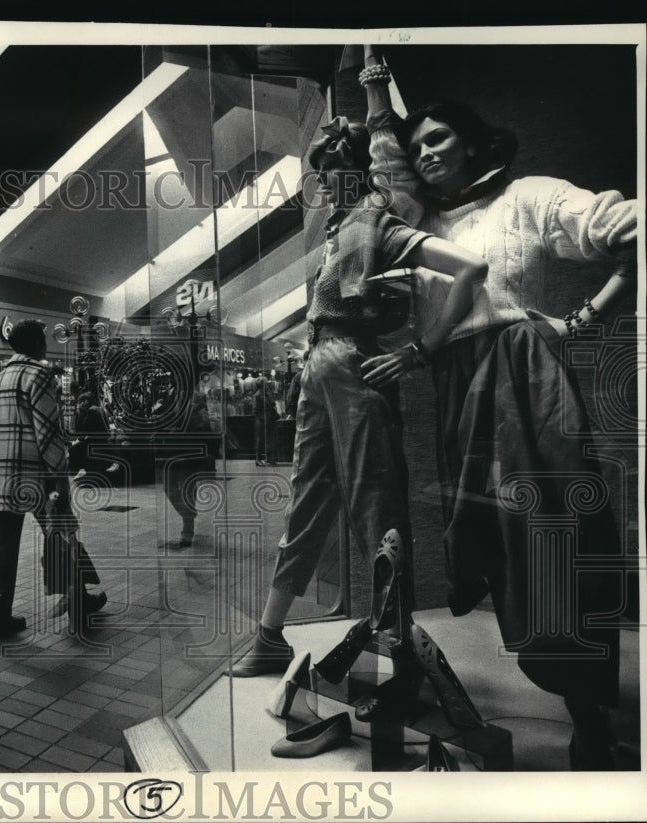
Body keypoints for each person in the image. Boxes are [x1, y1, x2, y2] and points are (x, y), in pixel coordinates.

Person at [360, 46, 636, 767]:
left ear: (477, 141)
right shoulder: (428, 230)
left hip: (526, 384)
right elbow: (382, 164)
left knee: (556, 540)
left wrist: (580, 320)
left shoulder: (530, 196)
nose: (424, 154)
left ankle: (590, 714)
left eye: (438, 139)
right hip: (457, 395)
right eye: (416, 146)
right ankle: (557, 689)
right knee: (496, 548)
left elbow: (622, 226)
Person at [229, 117, 488, 708]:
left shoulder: (379, 224)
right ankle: (270, 635)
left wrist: (421, 351)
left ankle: (403, 658)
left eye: (342, 169)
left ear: (362, 171)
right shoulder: (336, 231)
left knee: (378, 507)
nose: (333, 182)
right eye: (325, 173)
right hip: (318, 369)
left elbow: (471, 268)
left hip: (353, 366)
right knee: (305, 499)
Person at [0, 319, 107, 639]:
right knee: (61, 536)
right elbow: (48, 432)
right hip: (36, 474)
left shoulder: (2, 377)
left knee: (1, 547)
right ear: (38, 344)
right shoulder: (39, 373)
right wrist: (60, 477)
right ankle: (79, 603)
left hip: (1, 472)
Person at [160, 390, 219, 548]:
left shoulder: (197, 399)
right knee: (169, 488)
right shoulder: (171, 395)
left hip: (191, 456)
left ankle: (187, 530)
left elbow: (205, 429)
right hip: (173, 454)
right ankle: (189, 515)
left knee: (188, 491)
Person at [252, 377, 279, 466]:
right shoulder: (257, 395)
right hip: (262, 419)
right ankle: (258, 458)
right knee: (260, 439)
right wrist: (262, 418)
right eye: (266, 383)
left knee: (270, 439)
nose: (267, 384)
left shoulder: (267, 393)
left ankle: (269, 458)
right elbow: (255, 410)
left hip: (270, 418)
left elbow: (273, 403)